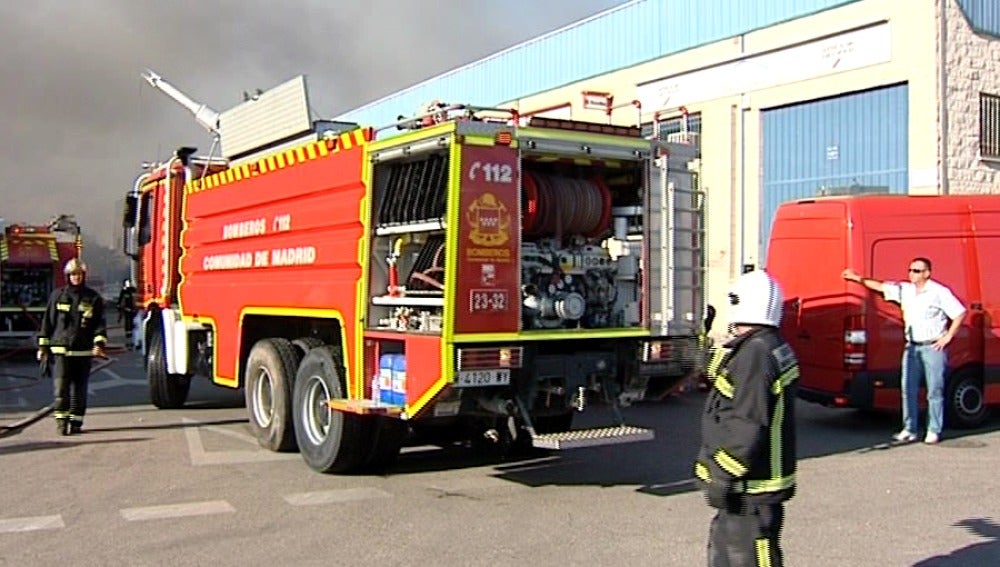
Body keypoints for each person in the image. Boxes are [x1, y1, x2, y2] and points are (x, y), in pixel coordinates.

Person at [694, 270, 799, 567]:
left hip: (751, 489)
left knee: (747, 558)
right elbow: (719, 378)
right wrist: (706, 338)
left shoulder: (757, 353)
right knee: (726, 553)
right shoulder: (763, 344)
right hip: (750, 491)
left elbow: (748, 424)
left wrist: (722, 476)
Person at [842, 257, 966, 444]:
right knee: (908, 388)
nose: (912, 274)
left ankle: (934, 429)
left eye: (916, 271)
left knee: (934, 390)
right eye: (910, 270)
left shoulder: (939, 292)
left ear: (927, 273)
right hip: (912, 347)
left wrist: (947, 336)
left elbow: (959, 313)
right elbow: (881, 286)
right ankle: (910, 429)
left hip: (932, 347)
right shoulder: (905, 290)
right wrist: (856, 278)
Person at [36, 258, 107, 435]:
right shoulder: (58, 296)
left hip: (82, 352)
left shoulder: (93, 298)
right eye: (73, 274)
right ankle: (61, 422)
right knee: (61, 389)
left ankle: (76, 422)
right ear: (68, 276)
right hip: (61, 351)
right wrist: (43, 348)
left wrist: (99, 344)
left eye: (79, 274)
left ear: (84, 275)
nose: (76, 277)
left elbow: (99, 324)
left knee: (79, 391)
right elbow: (47, 323)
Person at [116, 279, 137, 348]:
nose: (129, 284)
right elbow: (120, 300)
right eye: (127, 283)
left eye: (129, 283)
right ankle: (128, 333)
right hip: (127, 309)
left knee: (133, 321)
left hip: (133, 309)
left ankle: (132, 332)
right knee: (127, 321)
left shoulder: (133, 290)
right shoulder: (124, 291)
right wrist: (120, 308)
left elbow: (136, 297)